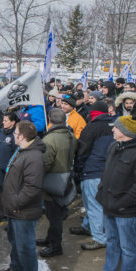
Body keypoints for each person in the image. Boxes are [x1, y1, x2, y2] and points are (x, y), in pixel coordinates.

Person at [95, 112, 136, 271]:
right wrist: (102, 192)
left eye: (116, 127)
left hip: (127, 211)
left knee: (128, 247)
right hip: (109, 205)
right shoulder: (114, 146)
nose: (112, 130)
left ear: (126, 131)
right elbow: (106, 172)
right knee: (112, 242)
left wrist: (122, 203)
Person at [0, 120, 45, 271]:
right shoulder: (22, 150)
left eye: (15, 133)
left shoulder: (34, 156)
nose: (13, 136)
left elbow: (32, 187)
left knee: (25, 248)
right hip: (15, 209)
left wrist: (16, 203)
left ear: (23, 136)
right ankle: (16, 270)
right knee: (16, 244)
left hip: (23, 211)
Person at [72, 101, 112, 250]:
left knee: (93, 204)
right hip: (104, 170)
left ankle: (99, 238)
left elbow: (83, 150)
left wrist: (79, 168)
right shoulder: (112, 126)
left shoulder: (92, 128)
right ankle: (87, 226)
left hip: (92, 170)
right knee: (92, 203)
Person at [37, 109, 77, 258]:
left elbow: (45, 163)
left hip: (53, 182)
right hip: (65, 179)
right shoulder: (69, 135)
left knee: (54, 216)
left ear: (50, 120)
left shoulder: (49, 139)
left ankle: (55, 246)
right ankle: (50, 239)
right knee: (56, 213)